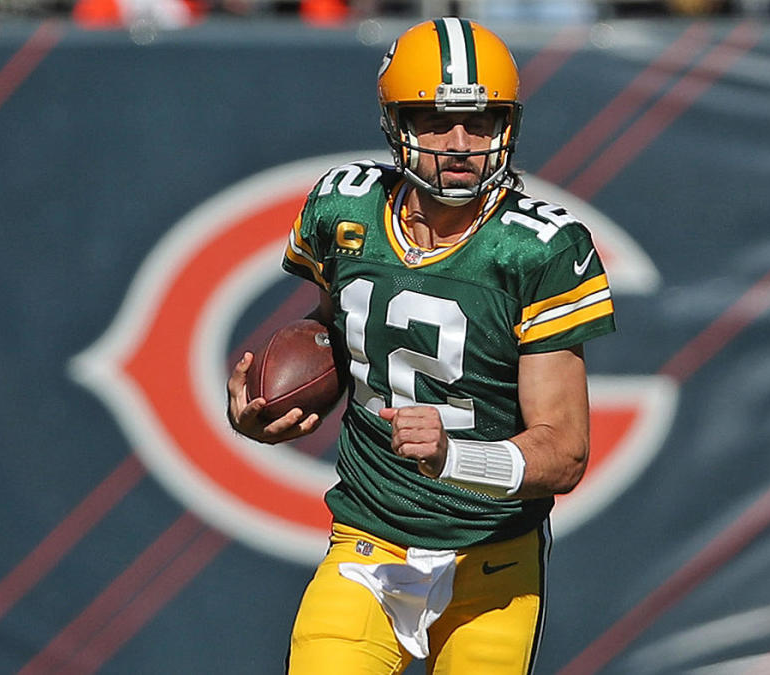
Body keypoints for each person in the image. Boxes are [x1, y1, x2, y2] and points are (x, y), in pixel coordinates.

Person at [226, 16, 615, 674]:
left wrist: (454, 456)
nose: (461, 142)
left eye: (481, 121)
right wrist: (275, 409)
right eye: (437, 121)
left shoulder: (539, 248)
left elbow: (566, 449)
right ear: (396, 123)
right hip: (370, 543)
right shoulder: (343, 211)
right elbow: (336, 339)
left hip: (493, 561)